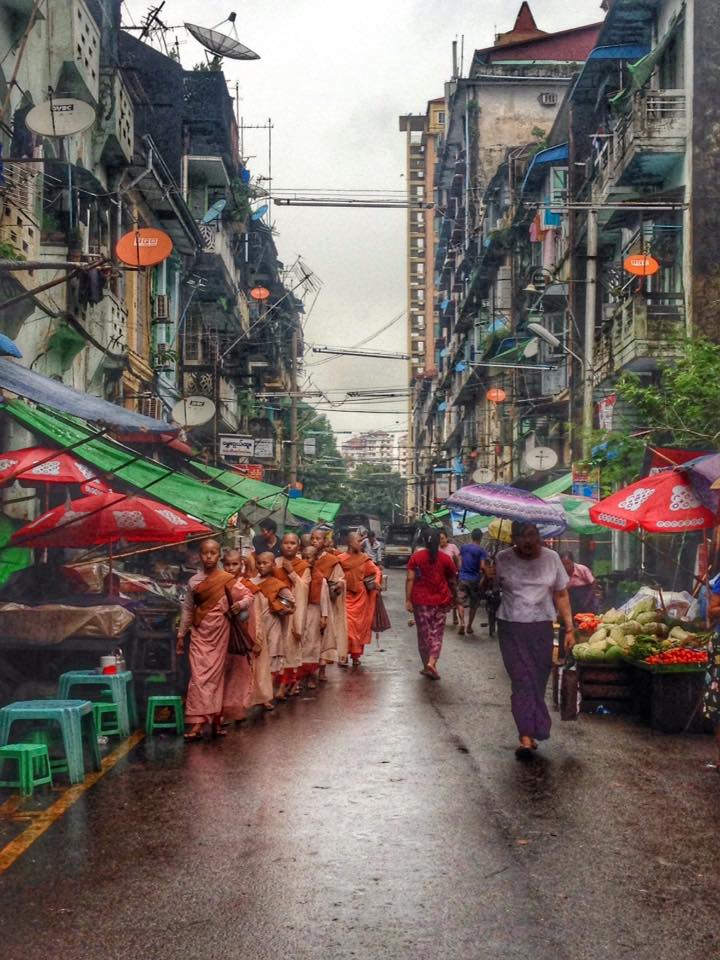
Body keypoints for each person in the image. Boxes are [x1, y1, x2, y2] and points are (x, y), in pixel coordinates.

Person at [494, 521, 574, 759]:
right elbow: (494, 587)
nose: (528, 541)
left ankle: (533, 725)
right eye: (523, 536)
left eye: (533, 535)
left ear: (539, 537)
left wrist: (569, 628)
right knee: (522, 679)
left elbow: (561, 593)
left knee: (538, 679)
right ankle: (526, 737)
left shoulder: (552, 558)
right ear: (514, 539)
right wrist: (487, 576)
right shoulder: (502, 558)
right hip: (511, 626)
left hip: (542, 627)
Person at [177, 539, 253, 741]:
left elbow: (248, 596)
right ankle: (197, 722)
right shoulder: (194, 581)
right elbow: (187, 609)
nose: (208, 557)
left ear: (219, 555)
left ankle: (216, 720)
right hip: (200, 634)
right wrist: (181, 634)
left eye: (213, 553)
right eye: (205, 553)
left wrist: (240, 605)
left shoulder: (227, 579)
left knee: (219, 678)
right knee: (199, 678)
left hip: (222, 634)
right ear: (199, 556)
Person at [406, 528, 457, 679]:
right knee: (437, 633)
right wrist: (455, 597)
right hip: (441, 601)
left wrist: (408, 599)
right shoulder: (446, 558)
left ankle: (427, 664)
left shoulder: (416, 557)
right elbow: (452, 579)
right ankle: (432, 662)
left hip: (420, 601)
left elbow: (410, 578)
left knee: (424, 634)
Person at [221, 550, 256, 723]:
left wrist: (240, 605)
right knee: (221, 672)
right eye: (227, 564)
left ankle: (236, 708)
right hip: (219, 635)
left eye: (234, 564)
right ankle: (220, 709)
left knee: (238, 672)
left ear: (240, 566)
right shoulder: (217, 583)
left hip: (237, 635)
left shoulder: (241, 586)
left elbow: (250, 598)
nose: (230, 568)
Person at [274, 533, 311, 695]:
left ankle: (285, 684)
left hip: (293, 614)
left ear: (298, 547)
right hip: (275, 613)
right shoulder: (274, 563)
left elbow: (304, 588)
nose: (289, 546)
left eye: (292, 543)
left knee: (289, 649)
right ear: (281, 545)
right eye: (286, 543)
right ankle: (277, 685)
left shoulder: (303, 566)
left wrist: (292, 573)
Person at [339, 531, 382, 666]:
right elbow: (333, 575)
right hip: (345, 597)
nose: (361, 543)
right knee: (347, 627)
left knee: (359, 628)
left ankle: (356, 656)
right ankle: (343, 654)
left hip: (361, 598)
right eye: (358, 541)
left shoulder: (364, 559)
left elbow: (376, 572)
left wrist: (376, 581)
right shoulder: (340, 559)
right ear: (350, 543)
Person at [311, 526, 347, 672]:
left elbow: (340, 579)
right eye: (312, 539)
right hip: (311, 604)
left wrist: (338, 584)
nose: (314, 542)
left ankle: (322, 669)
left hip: (327, 604)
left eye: (317, 539)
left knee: (324, 635)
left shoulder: (332, 560)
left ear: (325, 541)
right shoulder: (304, 558)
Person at [559, 550, 597, 656]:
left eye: (568, 563)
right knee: (567, 627)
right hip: (569, 603)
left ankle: (584, 653)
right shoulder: (559, 574)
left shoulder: (582, 569)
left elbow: (593, 584)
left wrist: (588, 601)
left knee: (585, 629)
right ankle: (564, 656)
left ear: (573, 562)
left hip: (585, 603)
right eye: (563, 564)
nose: (566, 567)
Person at [302, 545, 330, 689]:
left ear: (316, 559)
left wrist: (324, 617)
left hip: (314, 612)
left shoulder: (320, 579)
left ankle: (311, 676)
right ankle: (297, 678)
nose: (307, 561)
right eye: (304, 557)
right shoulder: (298, 575)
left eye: (310, 558)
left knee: (312, 646)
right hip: (300, 613)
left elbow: (324, 599)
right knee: (300, 645)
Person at [457, 529, 489, 636]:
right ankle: (469, 626)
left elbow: (459, 561)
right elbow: (482, 566)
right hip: (475, 580)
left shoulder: (463, 547)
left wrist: (461, 571)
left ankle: (462, 623)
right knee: (473, 605)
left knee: (460, 602)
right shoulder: (481, 551)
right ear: (480, 538)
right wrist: (485, 573)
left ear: (471, 536)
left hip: (463, 578)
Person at [439, 531, 461, 625]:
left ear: (447, 538)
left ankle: (455, 616)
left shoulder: (452, 547)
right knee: (442, 597)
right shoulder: (437, 549)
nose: (441, 541)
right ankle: (442, 616)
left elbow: (457, 560)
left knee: (454, 596)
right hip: (440, 577)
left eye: (443, 538)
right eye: (439, 539)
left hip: (452, 576)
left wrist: (457, 572)